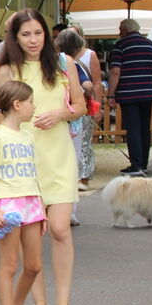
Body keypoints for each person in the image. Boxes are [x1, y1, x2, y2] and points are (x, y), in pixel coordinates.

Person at [0, 9, 85, 305]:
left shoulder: (63, 64)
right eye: (25, 34)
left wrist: (60, 113)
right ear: (14, 38)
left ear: (47, 34)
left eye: (38, 33)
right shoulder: (7, 71)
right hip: (21, 163)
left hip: (58, 155)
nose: (33, 40)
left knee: (60, 230)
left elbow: (81, 106)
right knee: (28, 240)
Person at [0, 81, 46, 305]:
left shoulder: (28, 137)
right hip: (8, 204)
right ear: (17, 105)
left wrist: (40, 206)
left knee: (34, 265)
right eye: (31, 102)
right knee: (9, 265)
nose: (34, 107)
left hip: (32, 204)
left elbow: (32, 174)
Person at [107, 18, 152, 176]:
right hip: (147, 93)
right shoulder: (150, 45)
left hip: (128, 94)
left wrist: (111, 94)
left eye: (119, 29)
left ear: (125, 30)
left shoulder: (120, 45)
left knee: (133, 129)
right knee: (145, 128)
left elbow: (115, 71)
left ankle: (136, 165)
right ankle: (143, 163)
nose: (119, 32)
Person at [54, 29, 93, 225]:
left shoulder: (51, 62)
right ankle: (70, 213)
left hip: (53, 119)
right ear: (78, 48)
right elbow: (87, 86)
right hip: (72, 122)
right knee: (71, 167)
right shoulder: (75, 65)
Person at [66, 25, 101, 190]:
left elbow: (96, 82)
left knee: (85, 142)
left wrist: (98, 106)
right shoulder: (61, 58)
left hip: (84, 105)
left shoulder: (89, 55)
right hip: (68, 107)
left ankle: (84, 177)